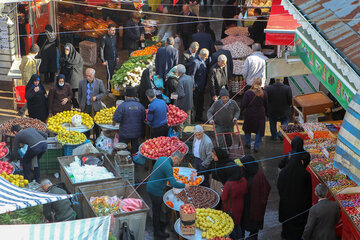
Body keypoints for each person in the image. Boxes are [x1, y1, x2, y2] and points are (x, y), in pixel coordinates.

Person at [146, 151, 190, 238]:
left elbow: (164, 175)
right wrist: (184, 185)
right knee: (156, 211)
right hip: (156, 191)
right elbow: (173, 183)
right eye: (179, 161)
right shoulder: (168, 167)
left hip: (151, 186)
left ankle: (160, 223)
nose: (178, 163)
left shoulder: (162, 158)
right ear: (176, 158)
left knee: (157, 208)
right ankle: (157, 232)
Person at [277, 147, 312, 240]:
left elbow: (279, 187)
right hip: (299, 210)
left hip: (286, 208)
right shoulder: (306, 175)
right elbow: (308, 194)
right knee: (297, 232)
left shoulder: (283, 173)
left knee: (287, 229)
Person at [240, 155, 271, 240]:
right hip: (247, 204)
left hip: (255, 206)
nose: (242, 167)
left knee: (254, 224)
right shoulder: (247, 171)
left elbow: (266, 188)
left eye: (243, 165)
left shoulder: (258, 176)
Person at [113, 87, 146, 155]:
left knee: (122, 149)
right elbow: (144, 118)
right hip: (137, 133)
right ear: (135, 96)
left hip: (125, 133)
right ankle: (135, 162)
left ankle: (123, 161)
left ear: (126, 96)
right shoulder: (140, 106)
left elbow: (116, 119)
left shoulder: (122, 106)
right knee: (135, 149)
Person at [241, 78, 268, 153]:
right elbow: (266, 104)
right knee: (259, 130)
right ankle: (256, 146)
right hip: (260, 114)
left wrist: (241, 111)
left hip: (250, 113)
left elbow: (243, 104)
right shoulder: (264, 93)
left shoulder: (247, 93)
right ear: (260, 83)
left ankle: (248, 143)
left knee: (248, 129)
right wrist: (266, 113)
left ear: (253, 83)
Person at [78, 68, 106, 138]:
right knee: (85, 124)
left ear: (93, 75)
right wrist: (81, 104)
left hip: (96, 106)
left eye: (89, 76)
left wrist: (96, 97)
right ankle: (86, 139)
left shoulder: (99, 82)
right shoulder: (81, 82)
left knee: (96, 124)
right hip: (85, 106)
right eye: (86, 76)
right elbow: (79, 95)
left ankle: (97, 139)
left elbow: (103, 93)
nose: (88, 77)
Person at [222, 167, 248, 240]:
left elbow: (223, 198)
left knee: (231, 226)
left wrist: (222, 191)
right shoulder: (243, 180)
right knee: (237, 224)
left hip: (230, 208)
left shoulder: (228, 184)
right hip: (240, 205)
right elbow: (245, 191)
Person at [59, 43, 83, 108]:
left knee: (75, 94)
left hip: (75, 78)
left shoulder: (77, 56)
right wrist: (66, 57)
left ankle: (77, 106)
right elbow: (61, 63)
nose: (66, 51)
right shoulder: (63, 56)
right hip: (67, 77)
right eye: (65, 49)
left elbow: (79, 65)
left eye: (67, 49)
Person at [188, 48, 209, 122]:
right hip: (196, 87)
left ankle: (199, 117)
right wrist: (193, 86)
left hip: (202, 86)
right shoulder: (195, 62)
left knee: (200, 103)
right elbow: (192, 75)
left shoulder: (203, 61)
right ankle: (194, 119)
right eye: (206, 56)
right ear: (202, 55)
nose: (206, 58)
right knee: (196, 104)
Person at [99, 24, 119, 91]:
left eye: (114, 30)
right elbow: (101, 49)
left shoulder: (114, 37)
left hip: (114, 58)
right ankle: (109, 89)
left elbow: (114, 48)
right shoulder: (104, 38)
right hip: (108, 59)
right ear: (108, 30)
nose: (114, 32)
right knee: (110, 74)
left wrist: (117, 56)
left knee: (114, 73)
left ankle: (114, 88)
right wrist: (103, 60)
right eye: (112, 30)